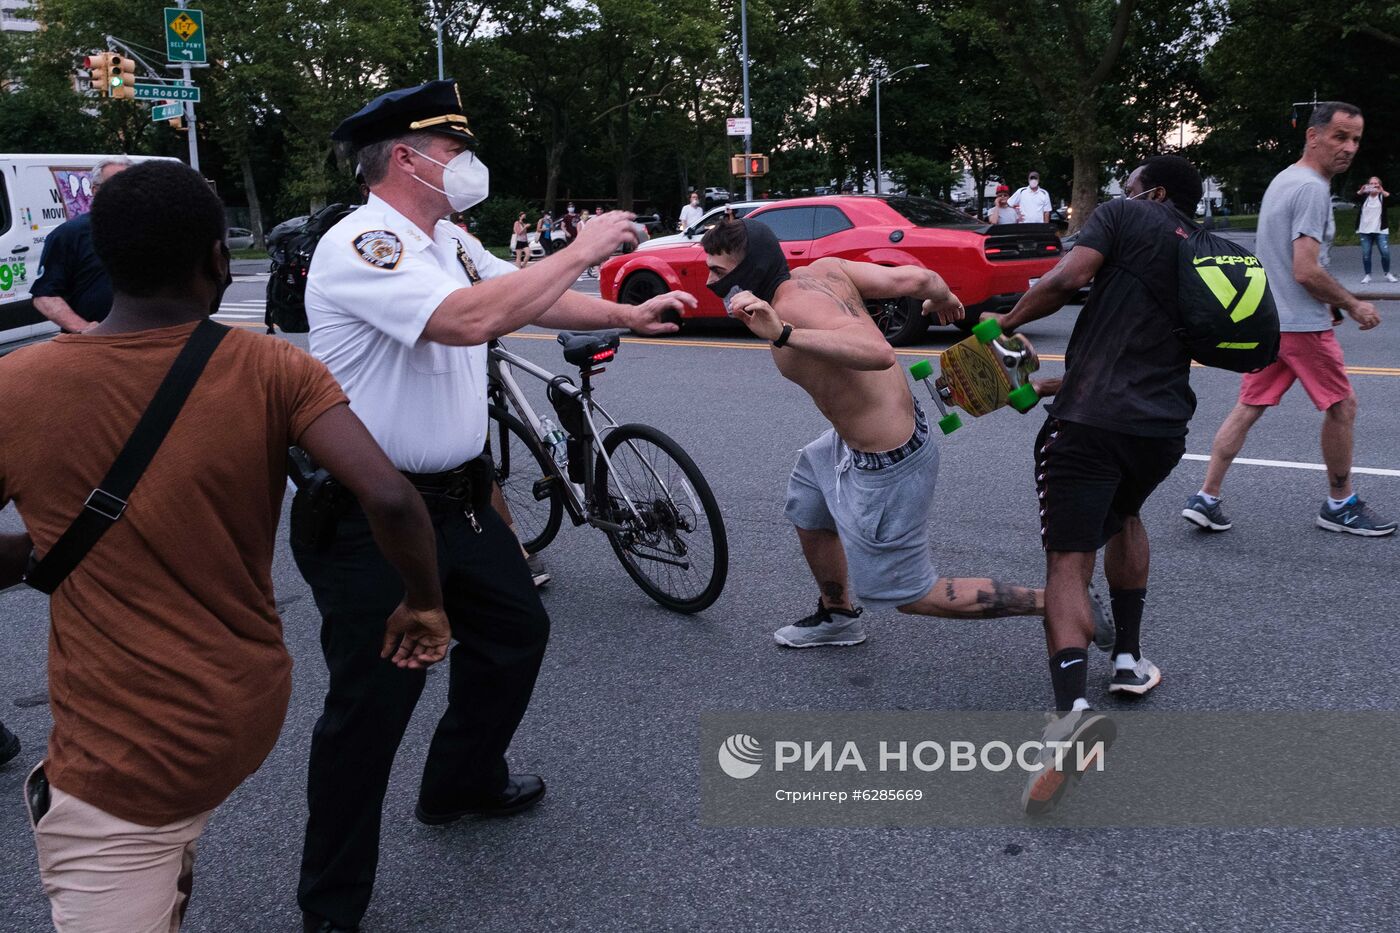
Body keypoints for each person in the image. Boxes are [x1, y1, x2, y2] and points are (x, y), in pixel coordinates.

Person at [0, 159, 450, 932]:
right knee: (177, 831)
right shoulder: (273, 366)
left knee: (129, 851)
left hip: (126, 756)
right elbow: (391, 498)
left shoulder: (19, 384)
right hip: (246, 701)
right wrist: (424, 604)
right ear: (217, 259)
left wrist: (40, 552)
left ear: (103, 261)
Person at [297, 79, 692, 932]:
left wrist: (630, 309)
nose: (466, 165)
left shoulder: (449, 240)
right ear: (406, 157)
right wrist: (584, 246)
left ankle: (459, 784)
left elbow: (530, 294)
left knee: (515, 631)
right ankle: (330, 907)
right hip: (374, 516)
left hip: (459, 501)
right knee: (371, 708)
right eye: (454, 151)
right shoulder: (366, 242)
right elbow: (472, 321)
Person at [701, 218, 1109, 653]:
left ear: (753, 270)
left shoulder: (792, 311)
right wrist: (945, 296)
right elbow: (916, 278)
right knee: (807, 499)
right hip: (867, 432)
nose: (709, 281)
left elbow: (877, 353)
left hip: (887, 460)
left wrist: (782, 332)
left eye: (720, 273)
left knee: (909, 596)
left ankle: (1065, 603)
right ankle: (837, 614)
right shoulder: (824, 269)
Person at [990, 154, 1208, 815]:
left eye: (1132, 184)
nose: (1121, 193)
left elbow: (1067, 277)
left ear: (1155, 192)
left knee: (1067, 561)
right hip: (1163, 427)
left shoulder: (1122, 218)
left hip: (1088, 426)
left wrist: (1004, 324)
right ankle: (1128, 661)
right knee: (1129, 516)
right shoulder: (1200, 248)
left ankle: (1070, 719)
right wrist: (1054, 380)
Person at [1186, 102, 1394, 537]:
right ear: (1313, 136)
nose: (1349, 148)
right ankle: (1340, 504)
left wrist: (1330, 302)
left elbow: (1287, 262)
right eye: (1340, 137)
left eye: (1356, 139)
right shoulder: (1313, 189)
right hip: (1300, 325)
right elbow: (1305, 269)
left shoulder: (1285, 179)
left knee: (1249, 406)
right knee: (1342, 406)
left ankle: (1206, 497)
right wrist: (1353, 304)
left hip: (1271, 320)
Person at [30, 156, 132, 333]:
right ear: (95, 190)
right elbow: (45, 295)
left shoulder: (150, 228)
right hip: (92, 346)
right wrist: (84, 329)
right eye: (115, 184)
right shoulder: (70, 234)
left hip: (146, 341)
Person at [1355, 176, 1395, 284]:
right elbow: (1352, 199)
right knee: (1366, 254)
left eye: (1376, 183)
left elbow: (1394, 200)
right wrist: (1361, 191)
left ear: (1379, 185)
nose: (1373, 185)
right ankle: (1367, 275)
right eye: (1371, 183)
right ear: (1368, 185)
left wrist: (1382, 191)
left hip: (1380, 230)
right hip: (1365, 230)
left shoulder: (1382, 197)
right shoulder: (1364, 197)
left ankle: (1387, 273)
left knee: (1385, 253)